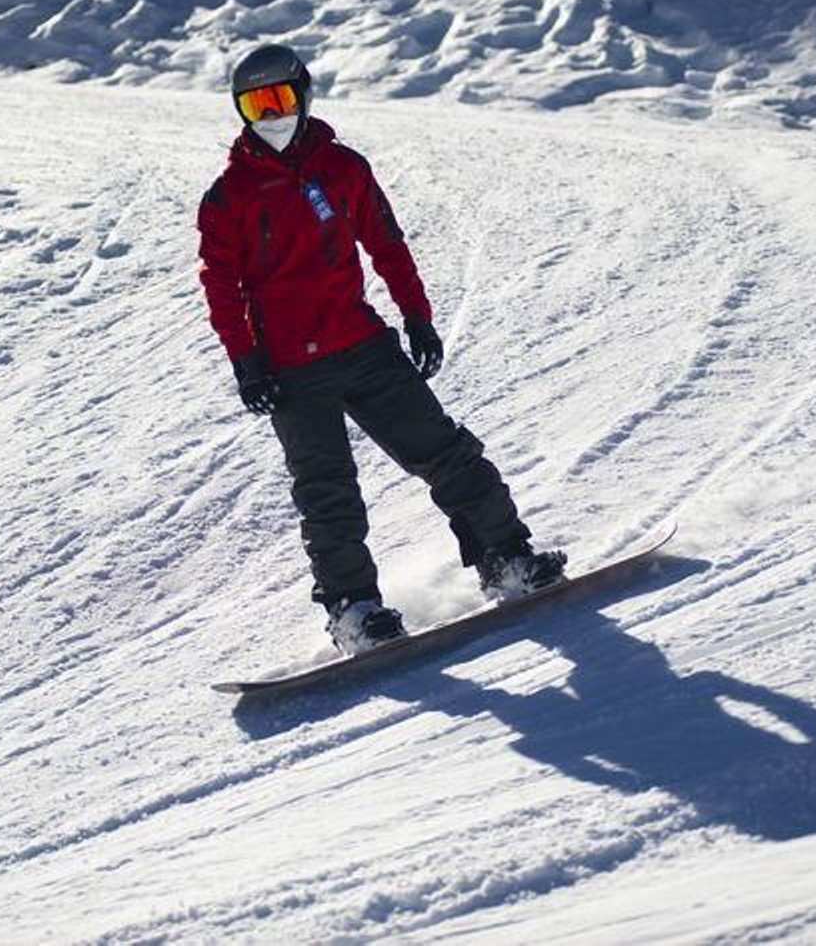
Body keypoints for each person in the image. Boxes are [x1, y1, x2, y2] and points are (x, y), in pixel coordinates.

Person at [196, 43, 566, 654]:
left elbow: (386, 245)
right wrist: (246, 359)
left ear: (304, 94)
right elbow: (221, 286)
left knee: (447, 453)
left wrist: (416, 316)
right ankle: (353, 609)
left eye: (279, 99)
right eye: (254, 106)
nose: (271, 116)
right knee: (327, 491)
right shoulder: (228, 197)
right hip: (292, 370)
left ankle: (505, 557)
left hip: (362, 344)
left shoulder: (344, 169)